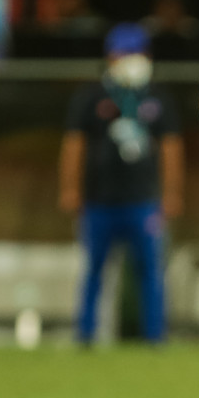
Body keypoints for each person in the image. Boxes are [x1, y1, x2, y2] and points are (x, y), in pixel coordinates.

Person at [59, 24, 183, 345]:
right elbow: (74, 145)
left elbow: (171, 148)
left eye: (137, 53)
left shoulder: (157, 97)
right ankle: (84, 335)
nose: (132, 60)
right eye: (125, 53)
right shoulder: (91, 96)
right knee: (93, 272)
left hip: (143, 202)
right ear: (111, 57)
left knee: (151, 274)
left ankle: (154, 338)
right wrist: (70, 189)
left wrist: (171, 193)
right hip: (99, 200)